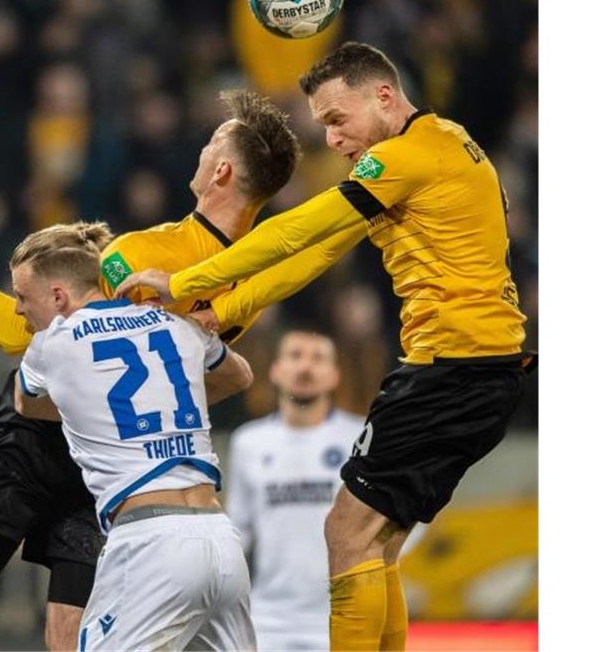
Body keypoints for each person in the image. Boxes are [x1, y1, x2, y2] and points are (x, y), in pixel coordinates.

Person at [0, 90, 366, 651]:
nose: (201, 152)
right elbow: (237, 367)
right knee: (71, 639)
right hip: (133, 469)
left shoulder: (142, 256)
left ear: (222, 169)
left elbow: (30, 334)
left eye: (210, 145)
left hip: (38, 438)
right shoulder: (245, 286)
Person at [115, 42, 533, 651]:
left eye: (338, 119)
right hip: (473, 370)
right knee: (375, 543)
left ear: (383, 96)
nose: (333, 139)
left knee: (346, 533)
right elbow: (319, 254)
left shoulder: (407, 156)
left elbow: (298, 229)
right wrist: (223, 310)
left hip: (452, 369)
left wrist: (183, 282)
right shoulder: (439, 146)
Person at [10, 222, 256, 650]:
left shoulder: (54, 344)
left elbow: (25, 402)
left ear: (57, 296)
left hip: (150, 544)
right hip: (221, 543)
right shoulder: (172, 319)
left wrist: (91, 406)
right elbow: (240, 376)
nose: (18, 311)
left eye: (21, 296)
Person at [227, 328, 365, 651]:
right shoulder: (248, 442)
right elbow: (238, 533)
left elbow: (392, 520)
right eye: (295, 356)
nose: (305, 367)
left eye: (317, 358)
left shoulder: (359, 438)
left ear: (334, 376)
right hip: (267, 619)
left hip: (342, 614)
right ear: (276, 370)